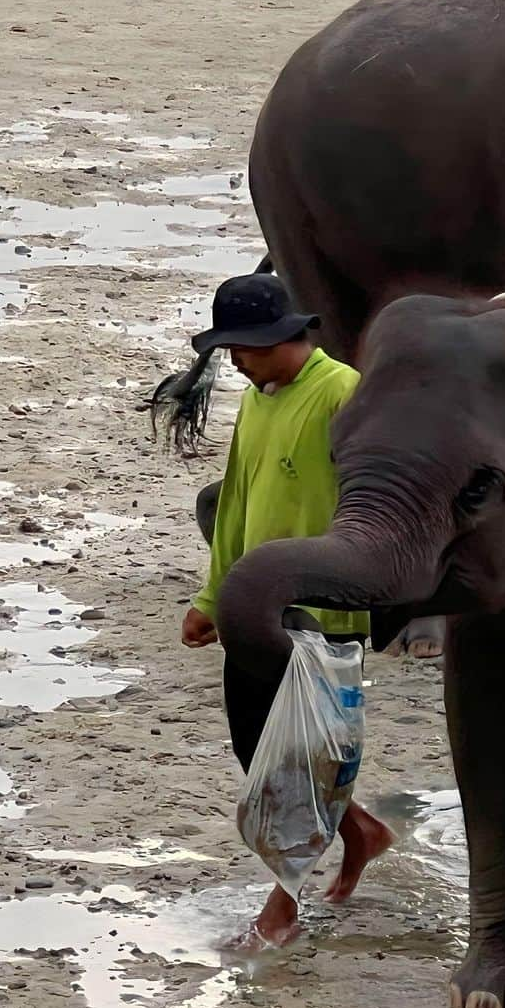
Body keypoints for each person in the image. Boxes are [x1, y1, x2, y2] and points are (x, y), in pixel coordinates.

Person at [180, 272, 392, 946]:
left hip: (321, 612)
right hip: (251, 611)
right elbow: (236, 499)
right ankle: (359, 830)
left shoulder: (343, 394)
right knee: (258, 749)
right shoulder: (257, 401)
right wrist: (212, 597)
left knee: (300, 758)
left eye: (240, 348)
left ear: (279, 338)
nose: (234, 362)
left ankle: (282, 908)